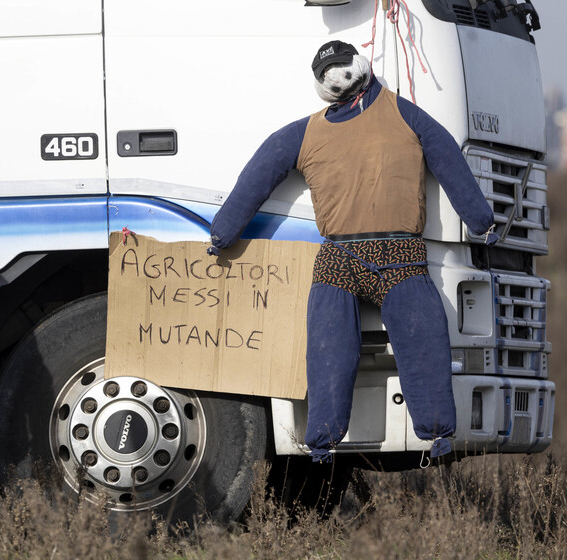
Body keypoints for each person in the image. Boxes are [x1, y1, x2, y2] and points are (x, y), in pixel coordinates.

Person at [208, 41, 499, 465]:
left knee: (423, 340)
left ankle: (434, 431)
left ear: (356, 67)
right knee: (329, 344)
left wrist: (479, 218)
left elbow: (447, 157)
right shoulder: (310, 130)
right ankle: (323, 437)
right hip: (354, 256)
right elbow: (262, 170)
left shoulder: (398, 112)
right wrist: (224, 231)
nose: (336, 78)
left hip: (392, 255)